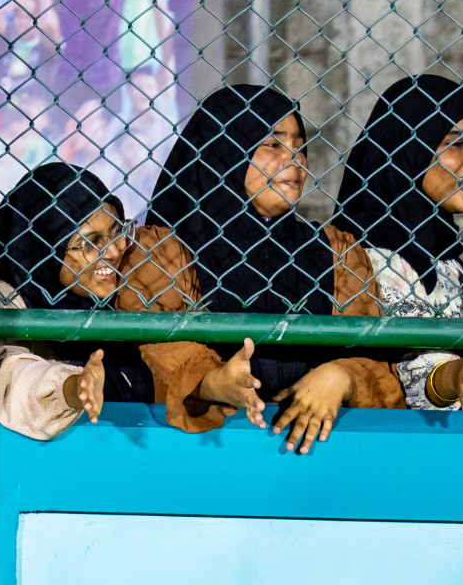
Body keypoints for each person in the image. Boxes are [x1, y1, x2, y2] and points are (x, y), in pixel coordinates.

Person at [118, 84, 403, 452]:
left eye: (301, 146)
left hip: (323, 451)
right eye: (273, 144)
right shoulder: (162, 251)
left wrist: (340, 376)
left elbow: (377, 366)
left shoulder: (336, 251)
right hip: (196, 450)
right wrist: (214, 382)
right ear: (224, 150)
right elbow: (161, 359)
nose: (295, 160)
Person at [334, 73, 463, 413]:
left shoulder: (448, 260)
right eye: (456, 143)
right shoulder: (357, 257)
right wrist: (454, 378)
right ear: (408, 149)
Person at [0, 161, 152, 439]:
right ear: (42, 247)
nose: (116, 250)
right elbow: (7, 376)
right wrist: (72, 387)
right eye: (92, 242)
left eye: (118, 231)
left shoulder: (130, 288)